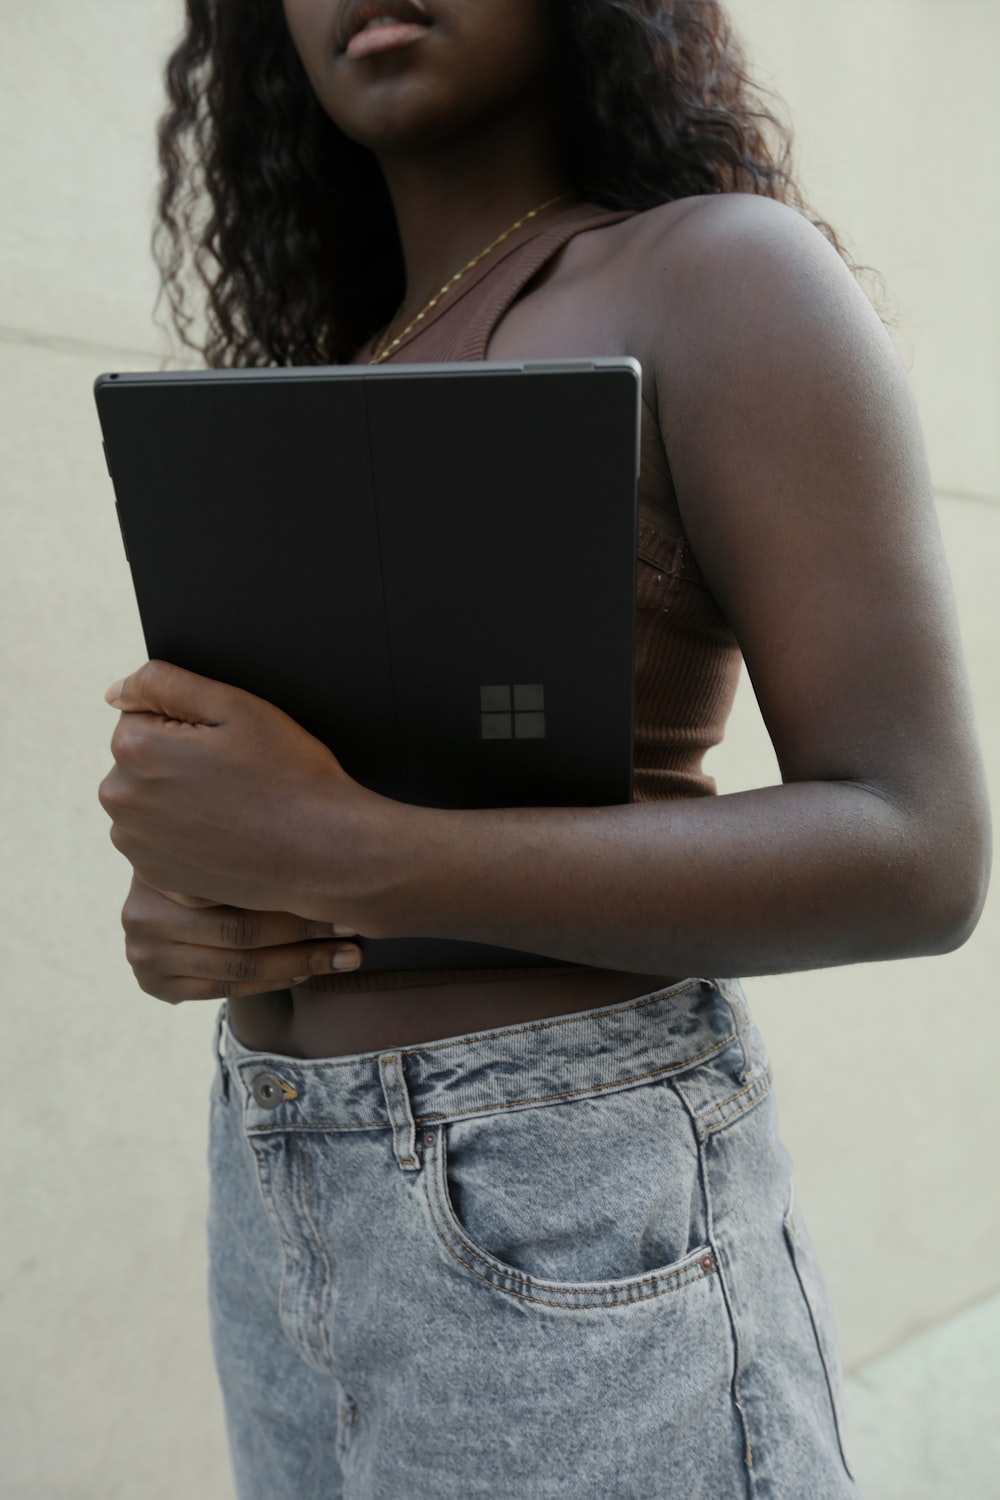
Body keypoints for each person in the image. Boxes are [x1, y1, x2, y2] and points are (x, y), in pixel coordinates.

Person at [98, 1, 991, 1495]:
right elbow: (301, 824)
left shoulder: (718, 275)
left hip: (566, 1204)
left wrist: (347, 853)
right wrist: (205, 915)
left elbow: (919, 849)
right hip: (278, 1188)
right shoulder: (340, 361)